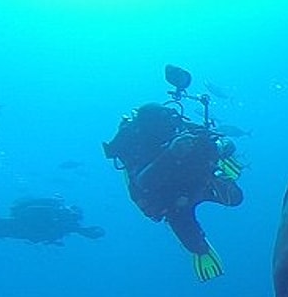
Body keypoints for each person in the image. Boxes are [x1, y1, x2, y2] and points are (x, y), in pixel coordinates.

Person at [102, 64, 244, 282]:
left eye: (172, 121)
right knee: (196, 245)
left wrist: (222, 148)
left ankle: (214, 184)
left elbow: (218, 139)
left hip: (198, 180)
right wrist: (171, 154)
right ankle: (203, 254)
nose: (173, 127)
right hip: (171, 201)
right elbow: (143, 182)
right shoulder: (141, 148)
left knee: (236, 198)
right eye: (167, 124)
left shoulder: (178, 126)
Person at [0, 195, 105, 245]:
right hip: (23, 225)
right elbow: (80, 230)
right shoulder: (58, 212)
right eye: (74, 215)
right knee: (0, 225)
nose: (73, 217)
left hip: (25, 230)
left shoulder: (66, 224)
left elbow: (81, 230)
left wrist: (91, 232)